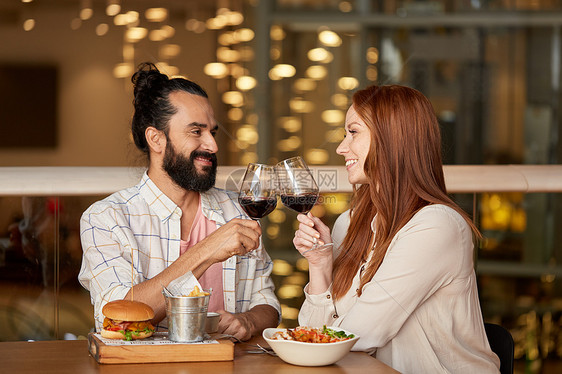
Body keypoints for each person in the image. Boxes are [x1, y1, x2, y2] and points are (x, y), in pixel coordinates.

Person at [293, 85, 501, 373]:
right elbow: (314, 340)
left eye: (353, 132)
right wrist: (319, 264)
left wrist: (315, 339)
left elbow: (359, 336)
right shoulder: (349, 223)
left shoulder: (436, 226)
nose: (341, 148)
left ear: (391, 139)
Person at [78, 62, 280, 341]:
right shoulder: (106, 218)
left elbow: (267, 303)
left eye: (212, 132)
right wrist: (208, 249)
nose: (212, 145)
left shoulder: (238, 210)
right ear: (156, 139)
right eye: (196, 132)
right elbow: (117, 320)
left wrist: (248, 320)